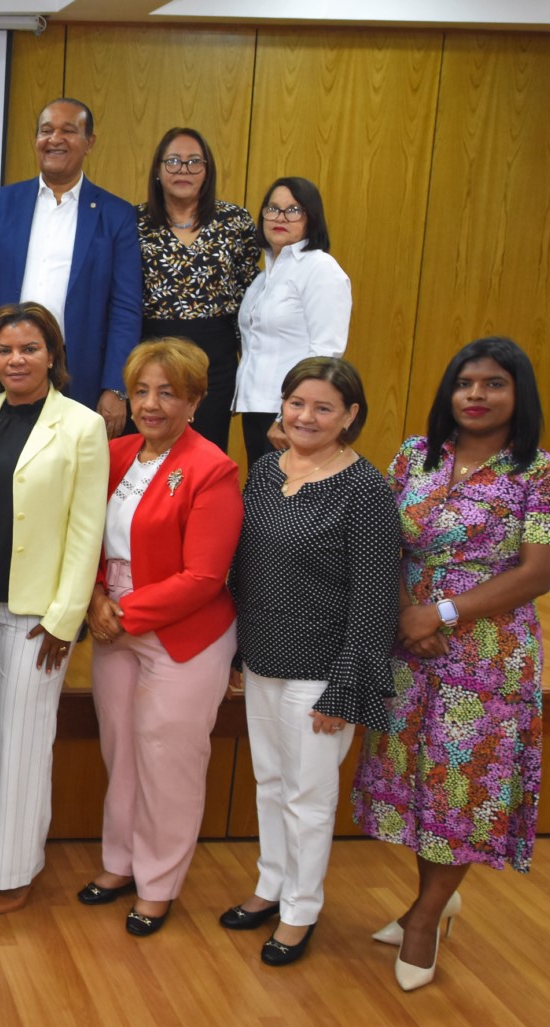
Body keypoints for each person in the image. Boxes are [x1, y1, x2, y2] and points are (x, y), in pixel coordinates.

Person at [353, 337, 550, 992]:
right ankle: (434, 898)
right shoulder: (414, 458)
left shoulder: (546, 475)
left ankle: (425, 918)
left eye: (493, 384)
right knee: (419, 782)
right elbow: (382, 540)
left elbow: (537, 575)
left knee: (463, 788)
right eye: (465, 383)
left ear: (519, 396)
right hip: (408, 642)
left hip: (485, 658)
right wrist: (405, 611)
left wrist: (441, 615)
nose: (476, 395)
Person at [222, 357, 399, 966]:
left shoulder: (367, 490)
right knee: (269, 783)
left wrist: (347, 687)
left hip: (322, 672)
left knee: (308, 796)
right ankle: (270, 885)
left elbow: (377, 598)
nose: (307, 416)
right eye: (297, 403)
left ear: (350, 416)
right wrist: (239, 653)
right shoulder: (266, 470)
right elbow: (247, 570)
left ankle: (301, 910)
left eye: (324, 407)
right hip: (264, 656)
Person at [80, 338, 242, 937]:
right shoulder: (115, 453)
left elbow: (203, 577)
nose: (151, 404)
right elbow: (87, 535)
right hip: (113, 621)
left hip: (182, 636)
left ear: (195, 401)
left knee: (167, 760)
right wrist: (97, 595)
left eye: (168, 393)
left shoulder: (212, 469)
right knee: (120, 749)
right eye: (142, 391)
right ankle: (120, 863)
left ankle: (159, 884)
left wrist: (123, 612)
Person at [0, 301, 107, 914]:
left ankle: (17, 871)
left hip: (37, 616)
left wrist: (65, 618)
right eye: (4, 351)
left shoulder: (81, 425)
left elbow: (86, 529)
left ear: (54, 357)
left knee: (25, 739)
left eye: (29, 349)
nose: (15, 360)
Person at [0, 99, 142, 435]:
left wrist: (115, 387)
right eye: (46, 130)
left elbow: (126, 308)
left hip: (79, 371)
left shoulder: (116, 215)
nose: (55, 139)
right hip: (9, 367)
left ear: (89, 142)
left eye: (69, 131)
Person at [134, 128, 260, 452]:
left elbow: (249, 295)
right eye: (173, 161)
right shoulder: (134, 222)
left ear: (207, 171)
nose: (183, 171)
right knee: (149, 449)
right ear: (158, 170)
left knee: (205, 451)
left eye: (194, 162)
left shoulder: (235, 221)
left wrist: (247, 367)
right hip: (151, 350)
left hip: (214, 358)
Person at [234, 177, 351, 463]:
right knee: (261, 498)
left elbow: (326, 352)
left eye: (293, 210)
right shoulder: (263, 278)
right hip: (256, 408)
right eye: (272, 209)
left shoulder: (320, 269)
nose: (280, 217)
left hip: (291, 416)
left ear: (311, 217)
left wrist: (290, 414)